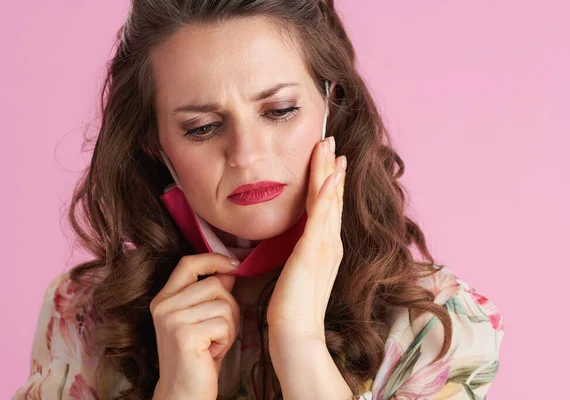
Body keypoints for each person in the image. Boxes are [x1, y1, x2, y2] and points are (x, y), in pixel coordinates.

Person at [13, 1, 504, 399]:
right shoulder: (82, 318)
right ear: (154, 144)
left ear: (331, 105)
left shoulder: (436, 325)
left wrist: (299, 342)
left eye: (280, 110)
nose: (247, 156)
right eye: (202, 127)